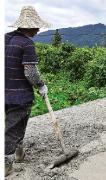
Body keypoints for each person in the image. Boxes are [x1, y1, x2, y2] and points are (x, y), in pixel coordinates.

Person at [5, 6, 51, 176]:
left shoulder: (4, 38)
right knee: (14, 127)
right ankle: (5, 165)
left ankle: (19, 154)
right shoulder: (27, 43)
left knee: (17, 124)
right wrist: (41, 85)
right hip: (19, 95)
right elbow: (30, 72)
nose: (38, 30)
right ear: (29, 26)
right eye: (36, 26)